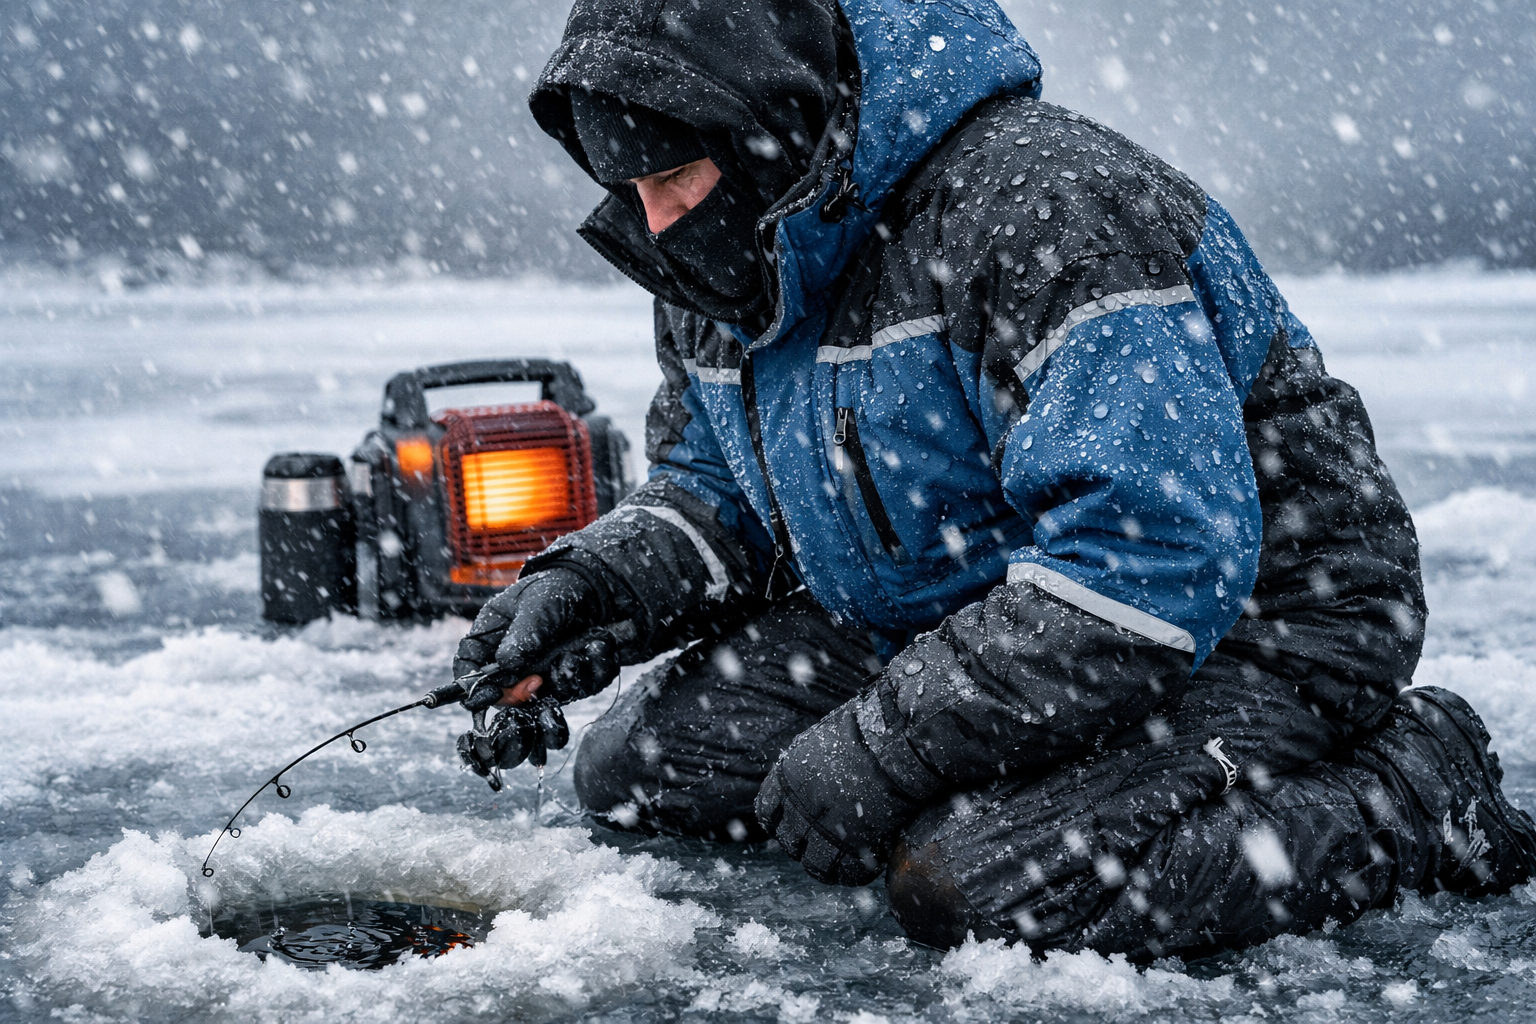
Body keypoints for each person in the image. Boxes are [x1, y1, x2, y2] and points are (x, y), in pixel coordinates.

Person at [452, 0, 1536, 957]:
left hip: (1255, 628)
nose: (654, 222)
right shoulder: (719, 255)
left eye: (673, 175)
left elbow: (1153, 558)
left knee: (973, 880)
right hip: (955, 602)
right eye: (629, 187)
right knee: (644, 773)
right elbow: (719, 493)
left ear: (768, 128)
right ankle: (1027, 763)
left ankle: (1410, 789)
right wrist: (594, 587)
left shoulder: (1045, 209)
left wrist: (885, 743)